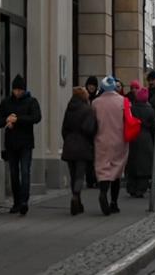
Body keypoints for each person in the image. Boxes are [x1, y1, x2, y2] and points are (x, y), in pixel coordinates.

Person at [0, 74, 42, 216]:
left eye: (20, 90)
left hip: (26, 143)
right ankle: (16, 202)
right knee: (14, 174)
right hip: (11, 143)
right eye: (15, 90)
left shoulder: (31, 101)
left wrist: (17, 119)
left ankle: (24, 202)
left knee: (25, 172)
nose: (17, 92)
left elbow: (36, 117)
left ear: (24, 90)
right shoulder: (6, 102)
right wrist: (6, 120)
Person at [92, 76, 129, 215]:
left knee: (103, 168)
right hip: (119, 140)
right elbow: (128, 119)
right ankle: (114, 202)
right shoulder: (123, 101)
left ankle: (103, 192)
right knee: (117, 170)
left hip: (101, 140)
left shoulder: (96, 103)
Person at [60, 86, 97, 215]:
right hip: (83, 145)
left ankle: (78, 201)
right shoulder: (88, 110)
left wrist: (68, 140)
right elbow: (89, 129)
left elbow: (63, 129)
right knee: (80, 175)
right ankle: (76, 196)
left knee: (73, 174)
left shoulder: (69, 109)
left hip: (69, 145)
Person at [125, 86, 155, 197]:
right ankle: (141, 188)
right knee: (144, 164)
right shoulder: (150, 110)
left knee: (132, 162)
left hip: (133, 136)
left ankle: (131, 187)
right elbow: (153, 126)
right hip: (145, 137)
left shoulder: (132, 109)